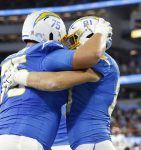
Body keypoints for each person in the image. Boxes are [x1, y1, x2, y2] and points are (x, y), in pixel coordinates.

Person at [0, 11, 111, 150]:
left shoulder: (7, 62)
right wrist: (101, 32)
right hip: (24, 140)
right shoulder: (44, 52)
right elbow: (93, 55)